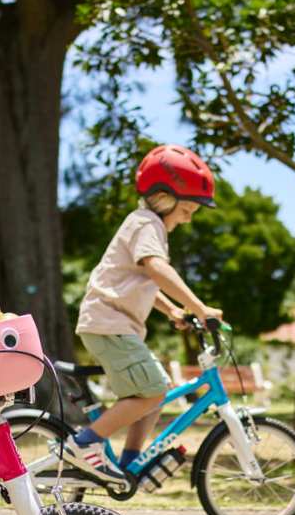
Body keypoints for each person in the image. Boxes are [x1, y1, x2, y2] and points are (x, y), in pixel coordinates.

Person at [67, 144, 223, 486]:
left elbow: (139, 280)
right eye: (186, 210)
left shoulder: (146, 225)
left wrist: (172, 311)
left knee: (158, 390)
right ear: (165, 198)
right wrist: (200, 308)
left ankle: (129, 464)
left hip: (112, 324)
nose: (188, 218)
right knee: (151, 392)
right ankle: (82, 444)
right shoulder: (146, 224)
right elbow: (155, 269)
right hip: (109, 324)